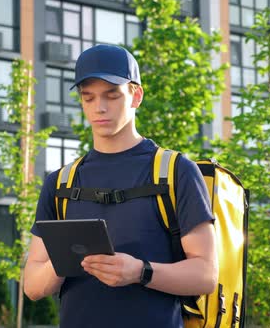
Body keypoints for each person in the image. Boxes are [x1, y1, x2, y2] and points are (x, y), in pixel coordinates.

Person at [24, 44, 217, 328]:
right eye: (88, 98)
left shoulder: (175, 172)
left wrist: (140, 272)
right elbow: (32, 286)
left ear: (135, 95)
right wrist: (67, 259)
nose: (99, 107)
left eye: (111, 95)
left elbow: (206, 275)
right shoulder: (60, 182)